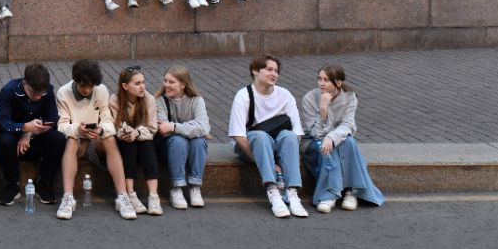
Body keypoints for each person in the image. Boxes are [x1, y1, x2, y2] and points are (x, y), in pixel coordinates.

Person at [228, 55, 308, 219]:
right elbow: (237, 135)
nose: (274, 74)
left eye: (276, 71)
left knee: (288, 135)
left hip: (276, 149)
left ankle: (292, 193)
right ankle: (273, 192)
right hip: (250, 147)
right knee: (260, 136)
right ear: (255, 71)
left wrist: (278, 160)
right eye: (269, 69)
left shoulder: (285, 95)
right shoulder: (244, 95)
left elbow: (298, 132)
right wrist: (268, 162)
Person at [54, 59, 134, 220]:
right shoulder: (63, 93)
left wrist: (101, 129)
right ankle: (68, 198)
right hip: (76, 142)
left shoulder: (101, 90)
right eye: (84, 85)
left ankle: (122, 197)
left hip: (95, 140)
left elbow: (107, 120)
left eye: (91, 86)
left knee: (109, 138)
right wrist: (78, 130)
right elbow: (62, 125)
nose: (87, 90)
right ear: (76, 80)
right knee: (71, 138)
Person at [300, 65, 385, 214]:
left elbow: (348, 125)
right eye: (319, 79)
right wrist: (323, 110)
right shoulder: (309, 98)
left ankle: (352, 192)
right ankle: (330, 194)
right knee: (331, 145)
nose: (321, 83)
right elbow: (315, 133)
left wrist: (332, 138)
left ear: (338, 83)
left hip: (339, 140)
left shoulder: (350, 97)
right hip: (313, 143)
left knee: (349, 141)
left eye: (326, 80)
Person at [0, 63, 62, 207]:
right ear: (25, 82)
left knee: (58, 139)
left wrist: (29, 133)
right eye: (33, 93)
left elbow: (53, 120)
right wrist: (24, 128)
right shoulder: (8, 91)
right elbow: (2, 123)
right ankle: (12, 185)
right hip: (12, 144)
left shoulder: (48, 91)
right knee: (4, 140)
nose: (38, 97)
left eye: (41, 94)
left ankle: (43, 183)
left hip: (35, 140)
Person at [155, 65, 211, 210]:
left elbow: (204, 127)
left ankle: (195, 186)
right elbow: (163, 130)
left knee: (199, 141)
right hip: (168, 146)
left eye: (171, 82)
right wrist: (193, 128)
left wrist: (174, 127)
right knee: (180, 141)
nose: (166, 85)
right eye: (165, 81)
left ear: (183, 84)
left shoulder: (197, 100)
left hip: (191, 144)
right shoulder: (159, 101)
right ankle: (177, 187)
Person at [109, 67, 163, 217]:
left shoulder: (149, 99)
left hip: (144, 140)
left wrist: (137, 132)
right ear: (125, 86)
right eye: (137, 83)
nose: (142, 87)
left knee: (147, 145)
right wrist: (125, 133)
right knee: (129, 144)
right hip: (124, 142)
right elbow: (114, 125)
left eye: (143, 82)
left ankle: (153, 196)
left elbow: (152, 128)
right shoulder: (114, 100)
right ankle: (131, 194)